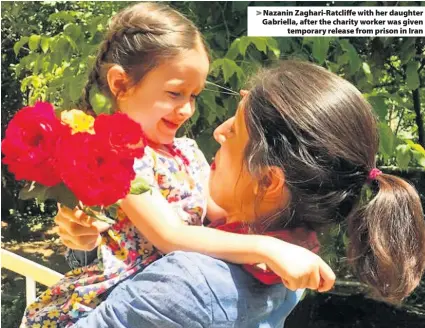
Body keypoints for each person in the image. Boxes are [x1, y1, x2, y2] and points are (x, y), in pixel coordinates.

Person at [21, 4, 335, 328]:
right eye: (175, 93)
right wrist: (267, 248)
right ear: (120, 85)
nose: (186, 109)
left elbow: (224, 212)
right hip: (110, 302)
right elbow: (170, 235)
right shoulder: (119, 158)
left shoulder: (186, 151)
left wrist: (249, 119)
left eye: (194, 95)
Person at [62, 60, 425, 327]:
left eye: (234, 131)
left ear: (268, 182)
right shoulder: (292, 254)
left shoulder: (184, 286)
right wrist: (95, 235)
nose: (217, 132)